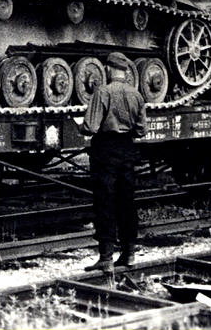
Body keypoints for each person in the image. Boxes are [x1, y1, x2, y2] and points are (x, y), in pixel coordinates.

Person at [79, 52, 146, 272]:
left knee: (104, 201)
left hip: (105, 150)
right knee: (127, 201)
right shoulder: (136, 94)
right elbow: (142, 130)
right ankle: (129, 254)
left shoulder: (103, 92)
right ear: (125, 71)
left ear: (108, 69)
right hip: (127, 149)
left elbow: (90, 127)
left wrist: (80, 126)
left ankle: (106, 257)